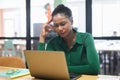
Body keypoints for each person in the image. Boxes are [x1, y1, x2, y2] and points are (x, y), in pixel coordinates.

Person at [38, 4, 100, 79]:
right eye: (56, 25)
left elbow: (94, 68)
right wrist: (42, 37)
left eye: (63, 24)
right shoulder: (53, 43)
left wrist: (61, 69)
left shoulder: (86, 38)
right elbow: (42, 69)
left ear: (72, 21)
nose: (60, 28)